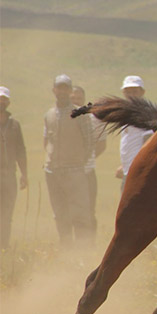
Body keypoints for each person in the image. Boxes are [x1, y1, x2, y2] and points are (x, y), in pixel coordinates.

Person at [43, 74, 94, 246]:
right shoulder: (48, 115)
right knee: (59, 212)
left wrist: (78, 161)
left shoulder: (80, 114)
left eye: (66, 88)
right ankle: (65, 249)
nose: (62, 91)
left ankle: (83, 251)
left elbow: (89, 142)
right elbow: (46, 141)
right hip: (52, 172)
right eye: (59, 87)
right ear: (54, 90)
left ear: (70, 91)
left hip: (75, 171)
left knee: (80, 212)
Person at [71, 85, 107, 237]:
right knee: (70, 208)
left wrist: (87, 158)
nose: (76, 102)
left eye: (79, 98)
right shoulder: (63, 117)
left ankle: (89, 243)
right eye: (73, 99)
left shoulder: (94, 119)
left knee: (89, 209)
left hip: (87, 171)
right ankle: (70, 242)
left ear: (84, 99)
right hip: (66, 172)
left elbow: (101, 144)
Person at [0, 86, 28, 249]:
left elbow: (21, 150)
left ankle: (4, 246)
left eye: (4, 99)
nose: (1, 102)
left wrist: (24, 175)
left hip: (9, 175)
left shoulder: (14, 125)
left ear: (8, 102)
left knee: (7, 212)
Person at [116, 76, 153, 191]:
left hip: (139, 170)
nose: (131, 94)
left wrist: (139, 166)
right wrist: (124, 165)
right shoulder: (125, 113)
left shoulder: (145, 113)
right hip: (128, 169)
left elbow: (148, 141)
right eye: (128, 91)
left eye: (135, 91)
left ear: (142, 92)